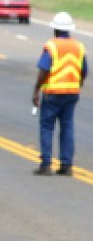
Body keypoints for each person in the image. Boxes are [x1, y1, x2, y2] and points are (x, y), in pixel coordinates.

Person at [32, 11, 87, 176]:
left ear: (54, 28)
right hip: (72, 93)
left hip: (53, 93)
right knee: (67, 127)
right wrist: (79, 82)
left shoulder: (51, 46)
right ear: (69, 29)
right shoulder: (79, 46)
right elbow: (84, 70)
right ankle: (66, 165)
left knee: (47, 127)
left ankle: (46, 164)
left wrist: (36, 90)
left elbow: (44, 70)